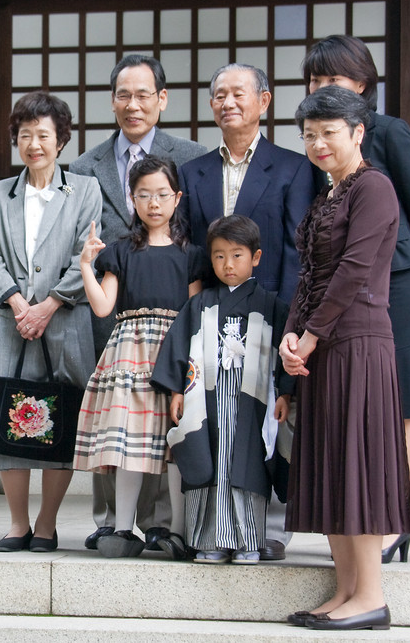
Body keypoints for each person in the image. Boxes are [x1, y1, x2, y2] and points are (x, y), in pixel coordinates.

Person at [302, 35, 410, 562]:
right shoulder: (318, 137)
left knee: (405, 400)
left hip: (402, 278)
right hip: (345, 286)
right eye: (316, 80)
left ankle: (393, 520)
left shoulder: (389, 131)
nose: (323, 88)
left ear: (362, 84)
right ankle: (360, 522)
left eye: (334, 79)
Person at [281, 86, 410, 631]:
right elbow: (308, 275)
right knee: (334, 465)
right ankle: (346, 591)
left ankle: (372, 597)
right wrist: (291, 338)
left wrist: (307, 338)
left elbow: (354, 272)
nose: (317, 144)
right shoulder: (327, 196)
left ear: (359, 133)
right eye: (309, 135)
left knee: (358, 465)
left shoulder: (374, 187)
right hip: (322, 347)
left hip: (358, 343)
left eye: (328, 132)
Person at [177, 63, 316, 562]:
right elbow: (192, 248)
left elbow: (301, 250)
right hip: (211, 314)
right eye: (218, 94)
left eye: (239, 93)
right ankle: (212, 527)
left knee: (266, 420)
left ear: (264, 101)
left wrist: (291, 320)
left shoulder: (296, 166)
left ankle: (269, 528)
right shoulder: (194, 171)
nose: (227, 102)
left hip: (269, 311)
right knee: (214, 418)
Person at [70, 54, 206, 552]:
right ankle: (113, 522)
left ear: (162, 99)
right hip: (119, 323)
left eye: (143, 94)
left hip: (172, 321)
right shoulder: (85, 167)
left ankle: (164, 527)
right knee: (120, 427)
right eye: (123, 95)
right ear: (112, 101)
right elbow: (79, 240)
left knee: (167, 430)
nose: (133, 105)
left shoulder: (192, 158)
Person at [0, 91, 102, 553]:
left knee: (61, 418)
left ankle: (47, 524)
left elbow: (86, 255)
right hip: (14, 323)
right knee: (10, 415)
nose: (34, 144)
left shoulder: (84, 189)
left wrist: (48, 305)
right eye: (25, 135)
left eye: (44, 135)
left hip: (65, 321)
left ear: (61, 140)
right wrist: (17, 305)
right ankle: (17, 523)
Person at [152, 215, 292, 565]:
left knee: (249, 464)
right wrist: (177, 391)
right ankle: (208, 541)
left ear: (256, 257)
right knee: (206, 460)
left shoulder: (272, 305)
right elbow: (179, 346)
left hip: (253, 404)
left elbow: (287, 354)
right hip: (207, 400)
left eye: (237, 255)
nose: (227, 265)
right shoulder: (200, 305)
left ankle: (248, 542)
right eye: (218, 256)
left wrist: (287, 393)